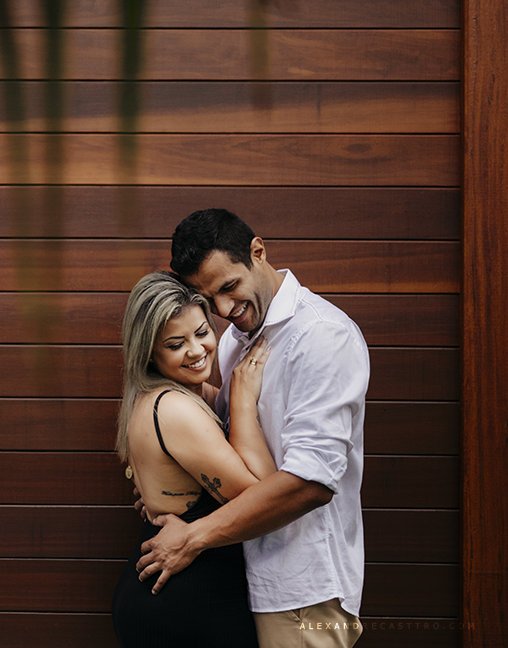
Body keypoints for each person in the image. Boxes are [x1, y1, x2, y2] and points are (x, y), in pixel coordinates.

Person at [136, 209, 369, 647]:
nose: (224, 309)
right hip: (250, 578)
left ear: (257, 252)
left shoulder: (322, 336)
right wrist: (167, 482)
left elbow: (311, 483)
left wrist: (192, 537)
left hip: (304, 589)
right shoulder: (235, 337)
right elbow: (230, 444)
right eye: (209, 299)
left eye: (229, 287)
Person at [111, 270, 276, 647]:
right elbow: (262, 499)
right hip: (183, 603)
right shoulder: (174, 409)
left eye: (202, 333)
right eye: (175, 343)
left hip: (182, 595)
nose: (197, 350)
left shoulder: (185, 395)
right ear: (149, 351)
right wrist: (243, 400)